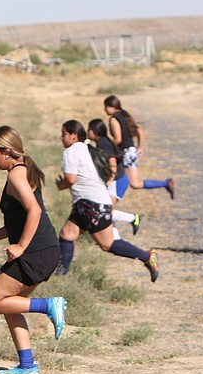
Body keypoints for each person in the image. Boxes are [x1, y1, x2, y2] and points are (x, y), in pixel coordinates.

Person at [0, 126, 66, 374]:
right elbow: (19, 220)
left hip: (35, 252)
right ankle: (27, 365)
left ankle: (48, 305)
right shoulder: (22, 168)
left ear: (6, 151)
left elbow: (35, 212)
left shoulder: (16, 176)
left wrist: (20, 246)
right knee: (10, 306)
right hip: (45, 250)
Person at [55, 120, 160, 282]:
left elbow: (70, 178)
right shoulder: (88, 148)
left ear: (74, 136)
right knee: (67, 234)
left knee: (107, 244)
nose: (61, 138)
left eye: (64, 134)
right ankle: (59, 277)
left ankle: (146, 256)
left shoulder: (71, 152)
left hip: (90, 203)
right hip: (94, 201)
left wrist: (61, 185)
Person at [104, 95, 175, 198]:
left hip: (125, 153)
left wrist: (108, 147)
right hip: (131, 151)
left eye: (105, 107)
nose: (104, 110)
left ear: (111, 106)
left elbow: (118, 139)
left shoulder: (114, 119)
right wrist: (140, 147)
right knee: (134, 183)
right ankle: (165, 183)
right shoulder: (125, 115)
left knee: (133, 183)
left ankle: (166, 183)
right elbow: (139, 131)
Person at [87, 118, 143, 235]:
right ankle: (117, 236)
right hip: (116, 180)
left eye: (89, 130)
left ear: (94, 131)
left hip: (117, 181)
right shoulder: (102, 142)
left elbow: (112, 160)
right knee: (106, 211)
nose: (87, 132)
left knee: (106, 211)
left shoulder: (103, 144)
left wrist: (110, 180)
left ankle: (132, 220)